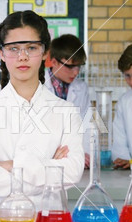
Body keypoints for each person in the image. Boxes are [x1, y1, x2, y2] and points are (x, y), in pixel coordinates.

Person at [0, 10, 85, 212]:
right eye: (13, 48)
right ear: (1, 54)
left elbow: (72, 172)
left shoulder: (67, 111)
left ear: (45, 53)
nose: (23, 56)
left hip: (47, 221)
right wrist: (48, 168)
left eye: (31, 47)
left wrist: (9, 165)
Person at [44, 34, 91, 167]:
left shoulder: (81, 88)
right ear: (54, 62)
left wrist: (84, 153)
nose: (75, 72)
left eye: (79, 66)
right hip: (44, 160)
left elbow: (86, 124)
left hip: (73, 159)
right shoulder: (37, 85)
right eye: (70, 67)